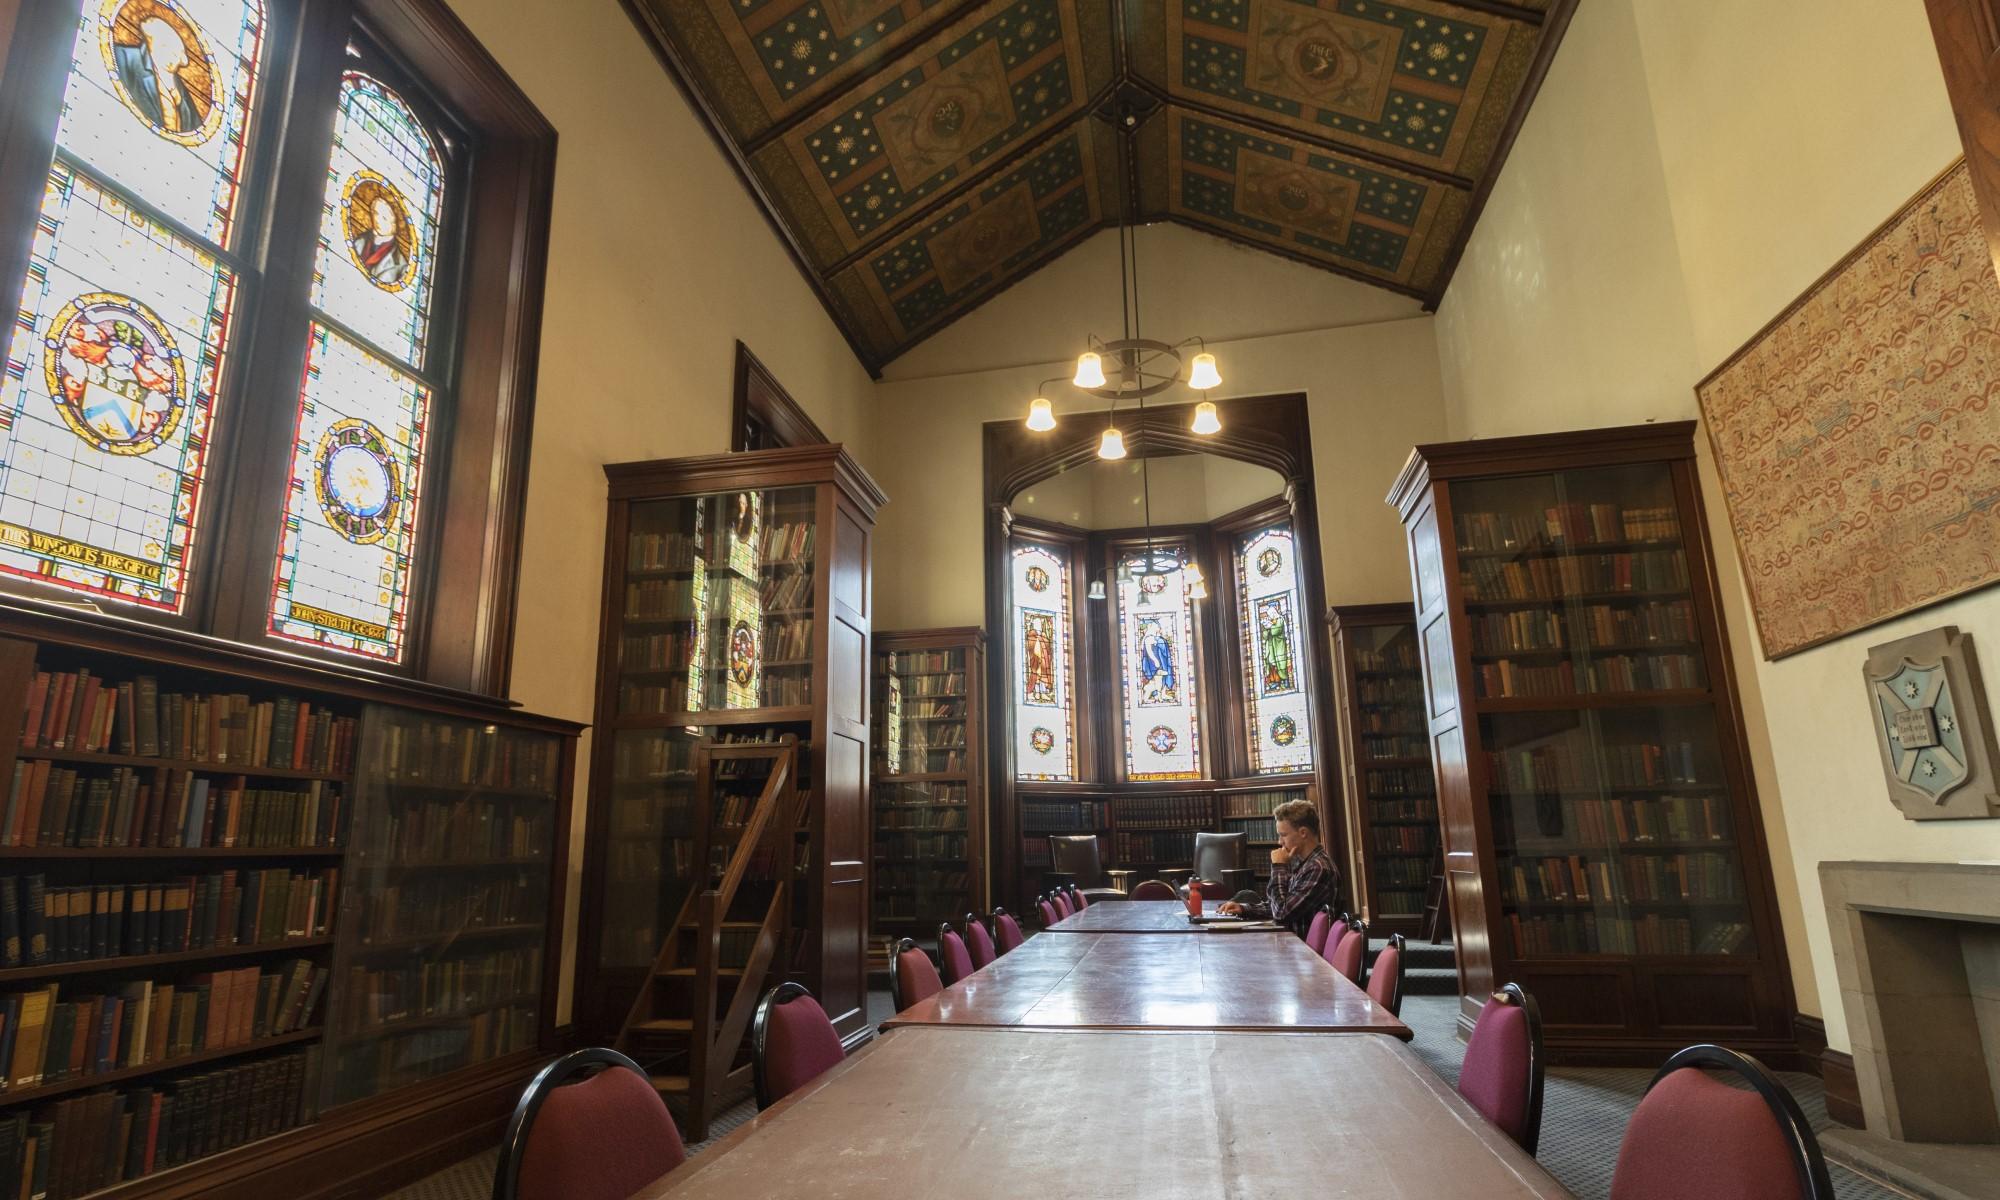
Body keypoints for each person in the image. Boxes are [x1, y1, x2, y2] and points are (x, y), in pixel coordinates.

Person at [1218, 798, 1337, 939]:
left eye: (1283, 835)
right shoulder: (1306, 863)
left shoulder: (1318, 868)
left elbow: (1282, 913)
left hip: (1301, 952)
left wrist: (1279, 866)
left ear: (1303, 832)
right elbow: (1278, 907)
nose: (1279, 842)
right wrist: (1244, 909)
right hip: (1291, 945)